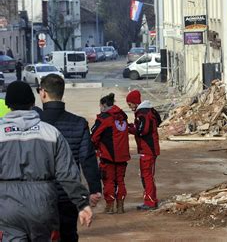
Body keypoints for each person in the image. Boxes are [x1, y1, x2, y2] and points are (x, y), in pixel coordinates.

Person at [0, 81, 93, 241]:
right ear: (32, 102)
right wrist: (82, 203)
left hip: (7, 207)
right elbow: (67, 174)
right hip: (43, 206)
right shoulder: (51, 133)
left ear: (8, 104)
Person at [38, 74, 102, 242]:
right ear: (62, 93)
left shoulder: (34, 124)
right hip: (68, 195)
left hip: (39, 196)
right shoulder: (78, 123)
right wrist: (95, 189)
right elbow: (87, 158)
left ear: (42, 93)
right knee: (68, 235)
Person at [91, 93, 130, 214]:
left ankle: (110, 206)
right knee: (120, 181)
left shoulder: (104, 118)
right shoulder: (123, 116)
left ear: (103, 105)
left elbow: (94, 136)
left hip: (108, 156)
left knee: (108, 181)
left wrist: (95, 147)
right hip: (122, 155)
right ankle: (120, 206)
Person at [126, 90, 162, 210]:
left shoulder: (143, 114)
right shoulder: (149, 111)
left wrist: (128, 128)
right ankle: (151, 199)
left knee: (146, 175)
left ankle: (150, 202)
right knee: (147, 175)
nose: (130, 107)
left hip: (148, 150)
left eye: (130, 105)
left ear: (135, 103)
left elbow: (142, 130)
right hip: (149, 149)